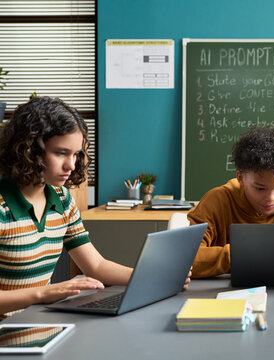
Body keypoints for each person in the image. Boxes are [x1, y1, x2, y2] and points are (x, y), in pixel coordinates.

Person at [0, 97, 188, 317]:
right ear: (29, 150)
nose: (71, 165)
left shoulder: (61, 199)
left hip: (39, 324)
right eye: (61, 153)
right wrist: (43, 293)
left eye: (76, 154)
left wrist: (154, 276)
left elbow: (95, 266)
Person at [187, 126, 274, 278]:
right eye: (260, 189)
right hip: (214, 294)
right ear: (240, 178)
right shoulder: (216, 201)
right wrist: (242, 254)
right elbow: (185, 258)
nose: (271, 198)